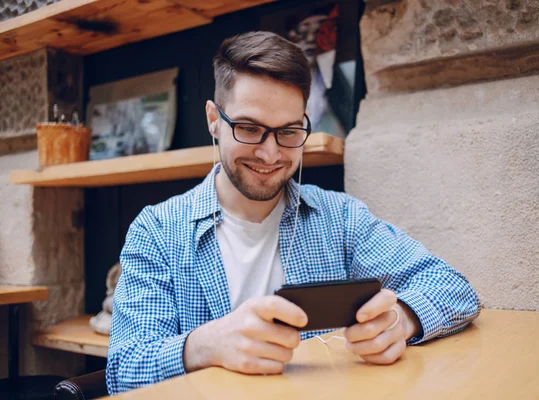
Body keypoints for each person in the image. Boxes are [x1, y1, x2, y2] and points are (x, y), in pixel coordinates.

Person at [106, 31, 481, 394]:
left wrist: (402, 321)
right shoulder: (157, 230)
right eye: (249, 128)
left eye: (288, 132)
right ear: (214, 120)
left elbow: (453, 288)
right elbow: (123, 370)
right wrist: (204, 345)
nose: (270, 155)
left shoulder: (340, 218)